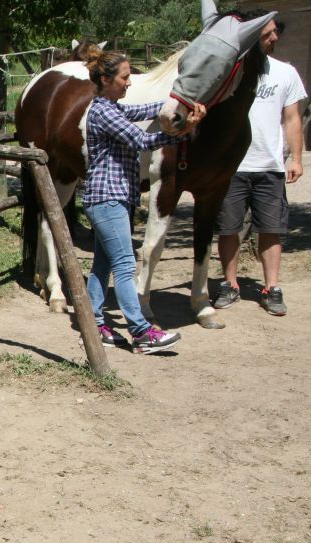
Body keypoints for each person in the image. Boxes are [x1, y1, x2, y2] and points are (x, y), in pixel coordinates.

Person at [82, 48, 206, 354]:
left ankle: (94, 322)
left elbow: (146, 110)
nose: (129, 83)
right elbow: (142, 141)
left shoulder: (112, 107)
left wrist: (177, 106)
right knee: (125, 265)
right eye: (125, 77)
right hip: (108, 198)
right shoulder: (104, 112)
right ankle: (140, 332)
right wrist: (185, 128)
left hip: (110, 198)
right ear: (107, 79)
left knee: (103, 264)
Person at [213, 13, 306, 317]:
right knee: (228, 228)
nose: (275, 38)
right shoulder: (230, 72)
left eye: (276, 32)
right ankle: (229, 285)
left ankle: (272, 288)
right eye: (267, 34)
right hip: (232, 165)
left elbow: (291, 119)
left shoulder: (285, 73)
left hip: (269, 165)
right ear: (252, 36)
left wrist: (295, 157)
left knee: (271, 229)